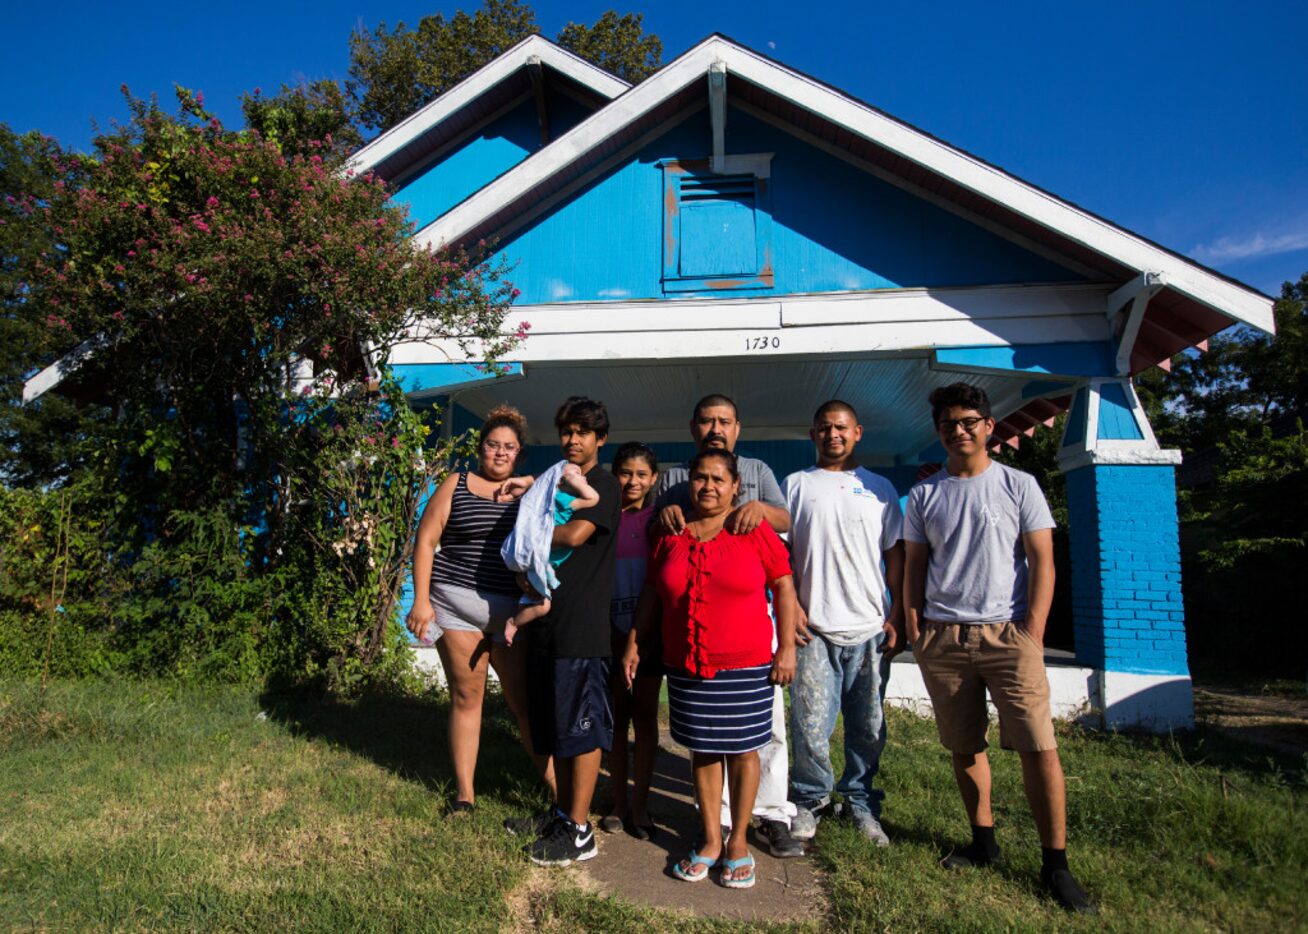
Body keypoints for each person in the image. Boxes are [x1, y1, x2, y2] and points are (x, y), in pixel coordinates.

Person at [903, 382, 1096, 914]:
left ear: (989, 426)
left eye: (968, 421)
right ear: (939, 432)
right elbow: (915, 566)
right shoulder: (925, 494)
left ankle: (1055, 863)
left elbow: (1042, 559)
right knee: (965, 745)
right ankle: (983, 841)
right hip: (943, 636)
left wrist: (1032, 630)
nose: (958, 431)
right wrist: (917, 628)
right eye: (948, 424)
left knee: (1038, 746)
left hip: (1008, 634)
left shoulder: (1019, 484)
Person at [625, 449, 799, 888]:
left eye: (719, 479)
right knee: (702, 749)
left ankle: (738, 841)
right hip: (686, 664)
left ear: (736, 485)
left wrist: (788, 650)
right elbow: (651, 589)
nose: (708, 486)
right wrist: (634, 641)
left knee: (743, 750)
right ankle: (709, 839)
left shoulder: (753, 528)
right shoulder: (672, 532)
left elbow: (783, 584)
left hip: (747, 665)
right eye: (701, 478)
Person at [654, 394, 801, 859]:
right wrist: (667, 513)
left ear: (738, 427)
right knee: (704, 742)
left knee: (761, 736)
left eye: (724, 421)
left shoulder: (757, 471)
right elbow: (664, 527)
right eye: (707, 421)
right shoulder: (675, 476)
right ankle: (713, 827)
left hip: (749, 634)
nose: (716, 428)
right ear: (693, 427)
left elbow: (786, 523)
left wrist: (760, 511)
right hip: (695, 640)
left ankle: (771, 814)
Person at [406, 405, 553, 814]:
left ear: (519, 454)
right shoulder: (457, 483)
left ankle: (558, 792)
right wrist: (421, 600)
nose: (500, 453)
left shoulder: (529, 489)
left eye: (509, 448)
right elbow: (426, 540)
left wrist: (530, 481)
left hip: (511, 615)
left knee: (521, 701)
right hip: (454, 604)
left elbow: (569, 486)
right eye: (493, 445)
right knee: (467, 697)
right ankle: (465, 796)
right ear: (480, 448)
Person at [505, 396, 622, 867]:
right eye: (566, 431)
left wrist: (530, 535)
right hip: (546, 621)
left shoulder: (604, 485)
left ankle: (579, 830)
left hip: (581, 628)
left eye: (582, 432)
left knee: (582, 730)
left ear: (600, 439)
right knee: (554, 726)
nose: (573, 440)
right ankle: (559, 813)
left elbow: (574, 535)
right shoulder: (555, 477)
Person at [784, 400, 904, 846]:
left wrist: (896, 614)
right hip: (813, 629)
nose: (832, 434)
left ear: (858, 433)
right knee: (810, 724)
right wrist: (792, 604)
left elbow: (895, 554)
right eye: (823, 428)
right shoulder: (795, 485)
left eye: (841, 428)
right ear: (812, 434)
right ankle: (809, 800)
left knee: (868, 725)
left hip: (870, 627)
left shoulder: (879, 488)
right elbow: (783, 556)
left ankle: (861, 803)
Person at [601, 442, 661, 840]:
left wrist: (639, 637)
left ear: (654, 479)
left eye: (642, 474)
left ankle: (641, 805)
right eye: (625, 473)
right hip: (608, 631)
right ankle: (616, 803)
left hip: (650, 634)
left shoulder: (660, 520)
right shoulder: (602, 515)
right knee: (616, 720)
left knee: (645, 717)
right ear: (613, 474)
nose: (633, 481)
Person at [499, 462, 601, 645]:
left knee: (530, 595)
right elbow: (593, 498)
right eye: (575, 474)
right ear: (562, 482)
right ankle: (514, 623)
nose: (582, 476)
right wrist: (577, 483)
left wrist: (573, 478)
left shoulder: (554, 498)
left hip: (542, 561)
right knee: (543, 606)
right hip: (541, 560)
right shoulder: (562, 499)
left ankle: (518, 619)